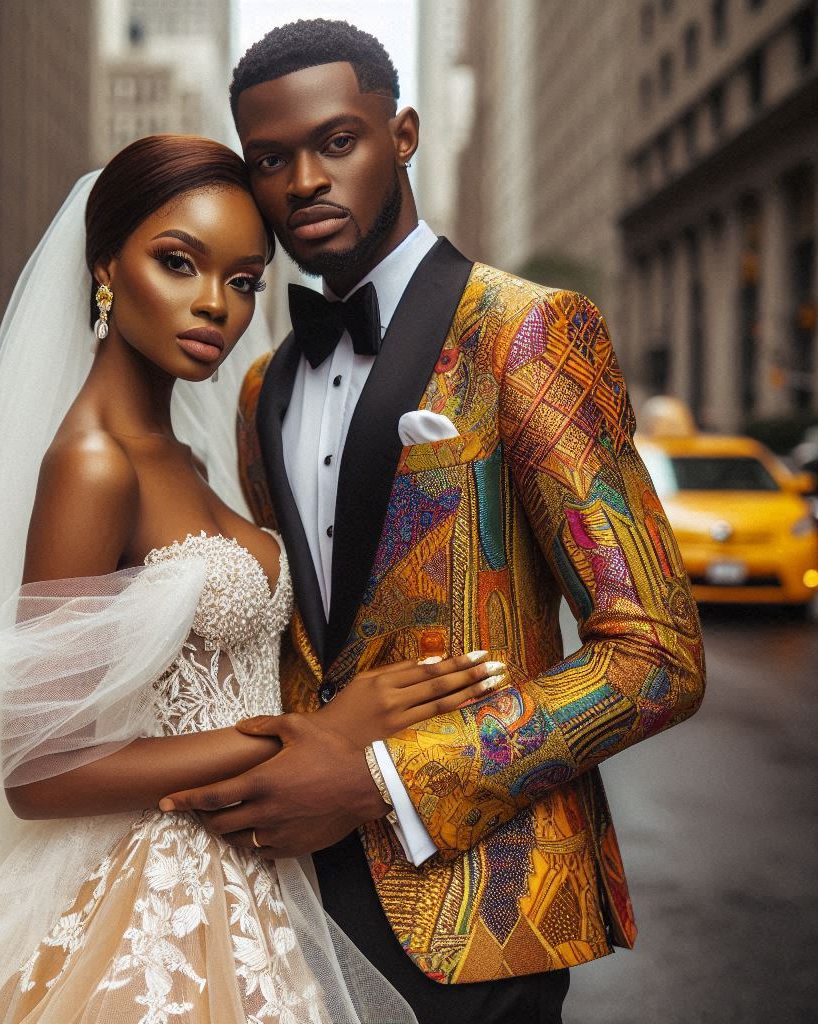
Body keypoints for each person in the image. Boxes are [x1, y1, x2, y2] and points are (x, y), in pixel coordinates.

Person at [0, 136, 505, 1023]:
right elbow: (41, 771)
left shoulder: (187, 454)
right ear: (106, 268)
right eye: (179, 263)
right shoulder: (94, 463)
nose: (216, 304)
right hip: (154, 902)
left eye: (244, 281)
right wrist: (315, 738)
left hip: (249, 886)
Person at [159, 20, 708, 1024]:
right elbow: (303, 636)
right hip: (291, 897)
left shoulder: (529, 331)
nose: (305, 181)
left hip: (483, 904)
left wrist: (382, 778)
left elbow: (657, 653)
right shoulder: (261, 388)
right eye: (270, 159)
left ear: (401, 133)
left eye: (338, 141)